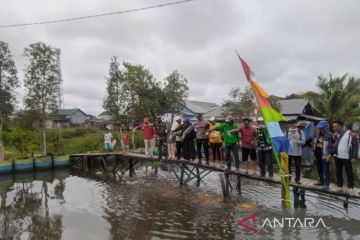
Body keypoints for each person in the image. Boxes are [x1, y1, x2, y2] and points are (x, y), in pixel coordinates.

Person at [332, 120, 359, 192]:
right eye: (333, 126)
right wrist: (332, 154)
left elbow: (355, 145)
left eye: (335, 126)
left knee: (349, 172)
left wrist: (354, 156)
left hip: (347, 157)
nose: (334, 128)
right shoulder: (335, 135)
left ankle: (350, 187)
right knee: (338, 172)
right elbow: (334, 145)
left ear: (340, 126)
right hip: (337, 156)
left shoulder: (350, 133)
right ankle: (339, 186)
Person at [313, 120, 333, 190]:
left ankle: (326, 185)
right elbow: (315, 142)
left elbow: (330, 146)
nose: (320, 128)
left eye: (322, 127)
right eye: (319, 127)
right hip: (317, 153)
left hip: (325, 154)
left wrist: (329, 155)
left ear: (326, 127)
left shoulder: (329, 135)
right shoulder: (317, 133)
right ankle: (321, 181)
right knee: (319, 169)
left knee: (326, 170)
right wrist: (314, 152)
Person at [287, 120, 305, 184]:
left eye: (294, 124)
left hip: (297, 152)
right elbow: (285, 140)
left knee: (297, 166)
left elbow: (304, 142)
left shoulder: (300, 131)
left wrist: (297, 141)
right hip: (289, 152)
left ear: (296, 124)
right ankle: (288, 178)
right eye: (291, 124)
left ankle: (297, 179)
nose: (293, 125)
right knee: (288, 165)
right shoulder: (288, 131)